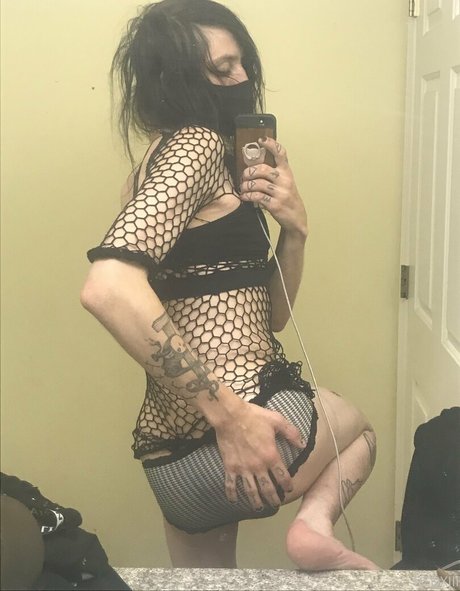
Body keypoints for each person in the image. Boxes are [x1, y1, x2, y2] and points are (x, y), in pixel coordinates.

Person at [81, 0, 379, 571]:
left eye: (242, 64)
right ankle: (313, 528)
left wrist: (295, 230)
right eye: (221, 70)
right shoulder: (195, 145)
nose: (241, 78)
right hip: (253, 421)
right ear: (172, 82)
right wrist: (231, 417)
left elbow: (272, 317)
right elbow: (107, 286)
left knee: (204, 584)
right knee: (360, 428)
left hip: (174, 466)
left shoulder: (153, 169)